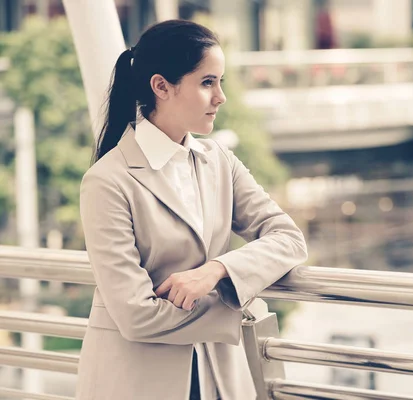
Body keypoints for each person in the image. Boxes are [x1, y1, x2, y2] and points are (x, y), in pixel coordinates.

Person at [75, 19, 308, 400]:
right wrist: (236, 308)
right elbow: (135, 315)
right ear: (161, 87)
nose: (221, 97)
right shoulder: (107, 181)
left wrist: (216, 271)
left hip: (220, 376)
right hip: (137, 382)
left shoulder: (219, 160)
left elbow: (288, 238)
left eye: (221, 82)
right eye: (207, 82)